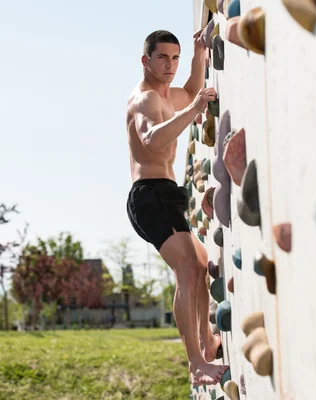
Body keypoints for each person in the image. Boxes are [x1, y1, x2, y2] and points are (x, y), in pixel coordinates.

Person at [125, 29, 229, 385]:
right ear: (146, 60)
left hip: (167, 194)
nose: (169, 65)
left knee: (198, 264)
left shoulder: (171, 95)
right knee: (187, 270)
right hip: (149, 196)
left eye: (175, 58)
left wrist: (200, 52)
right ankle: (196, 363)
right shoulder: (145, 100)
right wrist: (196, 108)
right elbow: (152, 139)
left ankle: (205, 342)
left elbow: (192, 86)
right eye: (162, 58)